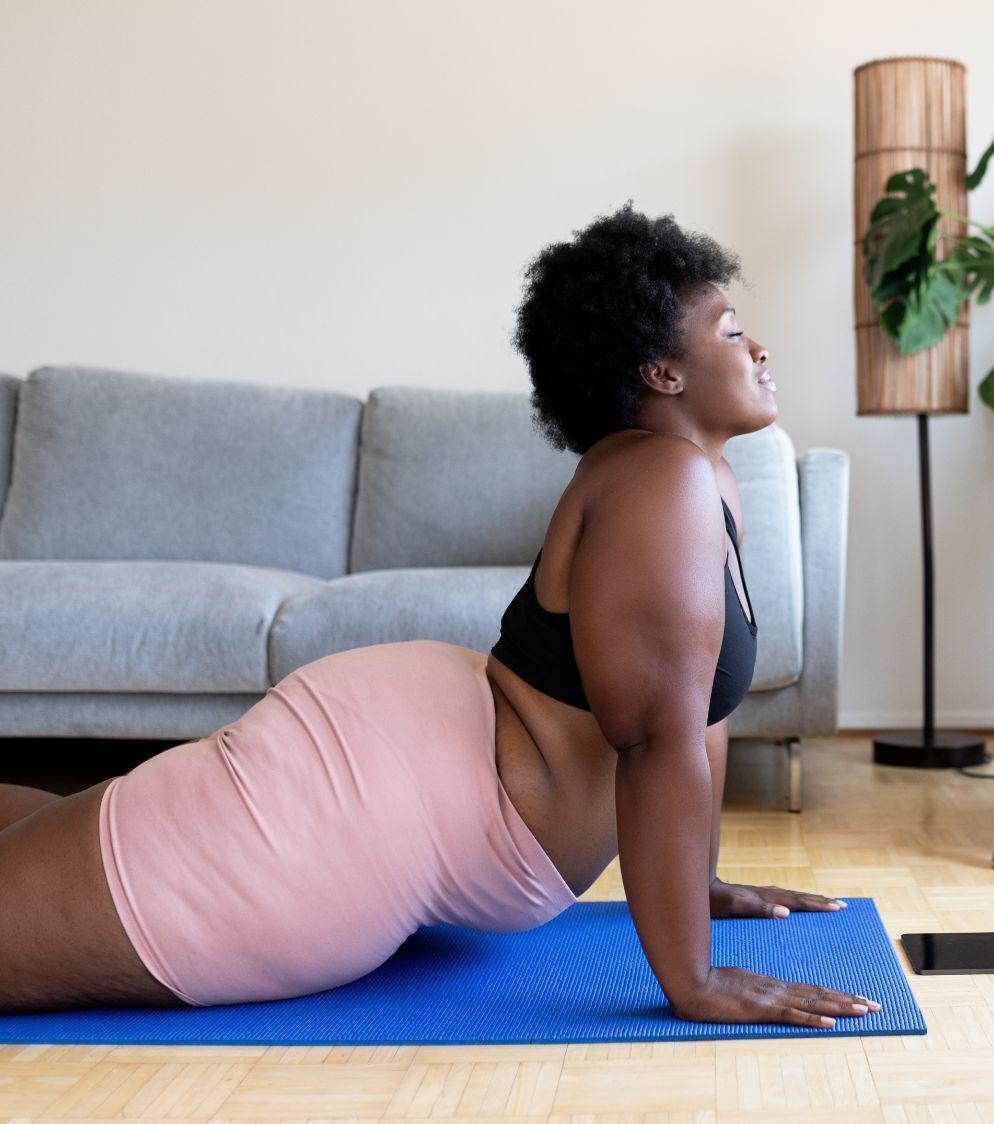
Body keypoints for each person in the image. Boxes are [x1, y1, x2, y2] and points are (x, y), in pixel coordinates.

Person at [0, 201, 881, 1025]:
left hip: (380, 774)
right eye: (731, 329)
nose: (758, 345)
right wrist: (691, 977)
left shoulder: (702, 479)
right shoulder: (664, 480)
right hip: (346, 810)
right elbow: (654, 741)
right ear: (662, 370)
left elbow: (696, 717)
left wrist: (698, 883)